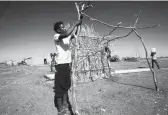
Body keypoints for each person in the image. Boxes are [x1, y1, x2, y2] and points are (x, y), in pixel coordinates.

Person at [53, 17, 82, 115]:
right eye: (62, 27)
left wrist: (79, 25)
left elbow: (75, 35)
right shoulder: (57, 36)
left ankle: (65, 104)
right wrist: (75, 23)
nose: (65, 28)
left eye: (64, 26)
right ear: (58, 30)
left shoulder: (67, 38)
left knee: (66, 86)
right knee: (59, 88)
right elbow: (66, 34)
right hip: (60, 65)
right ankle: (61, 110)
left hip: (67, 65)